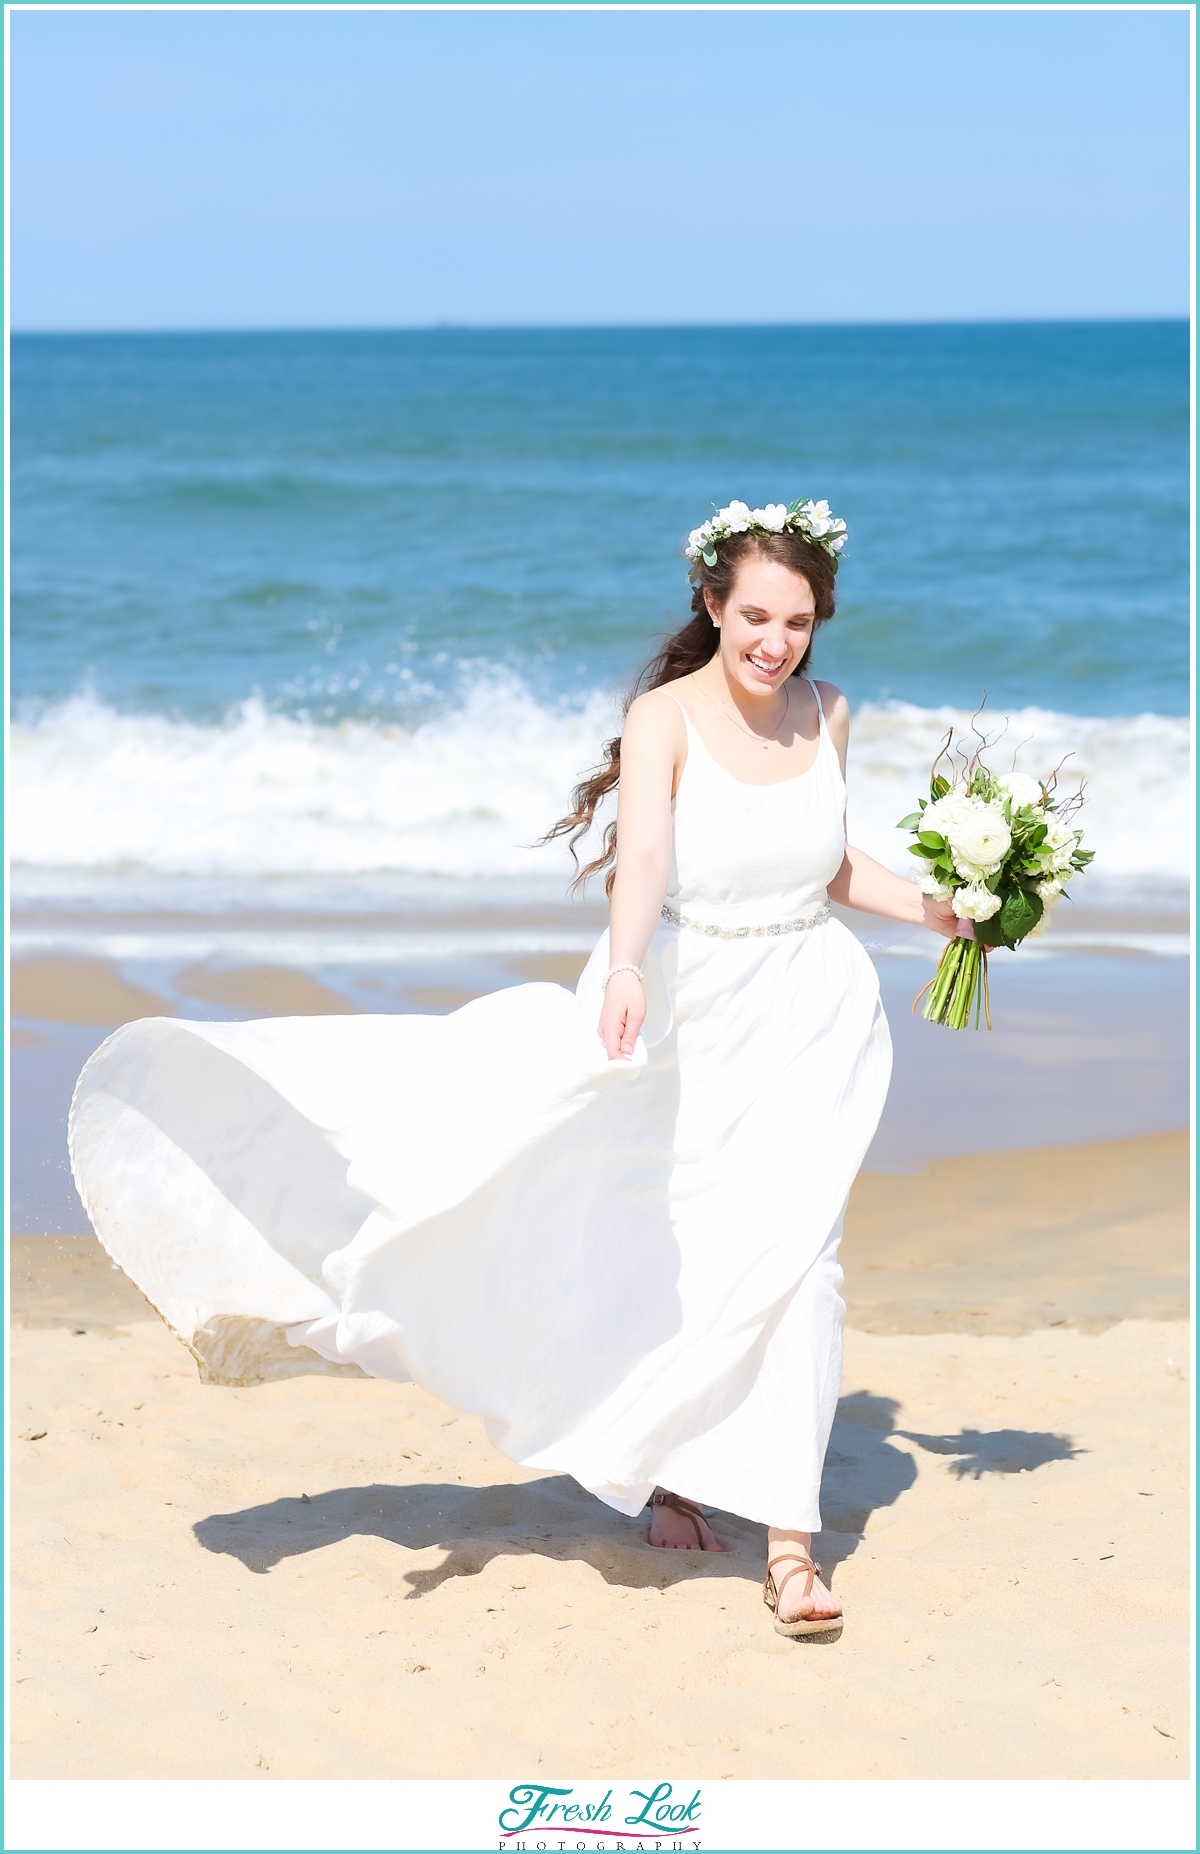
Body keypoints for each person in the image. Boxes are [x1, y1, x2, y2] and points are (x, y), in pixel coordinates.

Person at [69, 497, 957, 1646]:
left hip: (815, 1016)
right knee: (673, 1239)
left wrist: (948, 913)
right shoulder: (664, 718)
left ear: (817, 622)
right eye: (751, 616)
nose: (772, 642)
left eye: (795, 622)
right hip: (697, 1005)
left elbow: (833, 861)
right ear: (710, 604)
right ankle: (671, 1472)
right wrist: (629, 966)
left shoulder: (829, 713)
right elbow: (643, 854)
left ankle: (791, 1547)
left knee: (803, 1261)